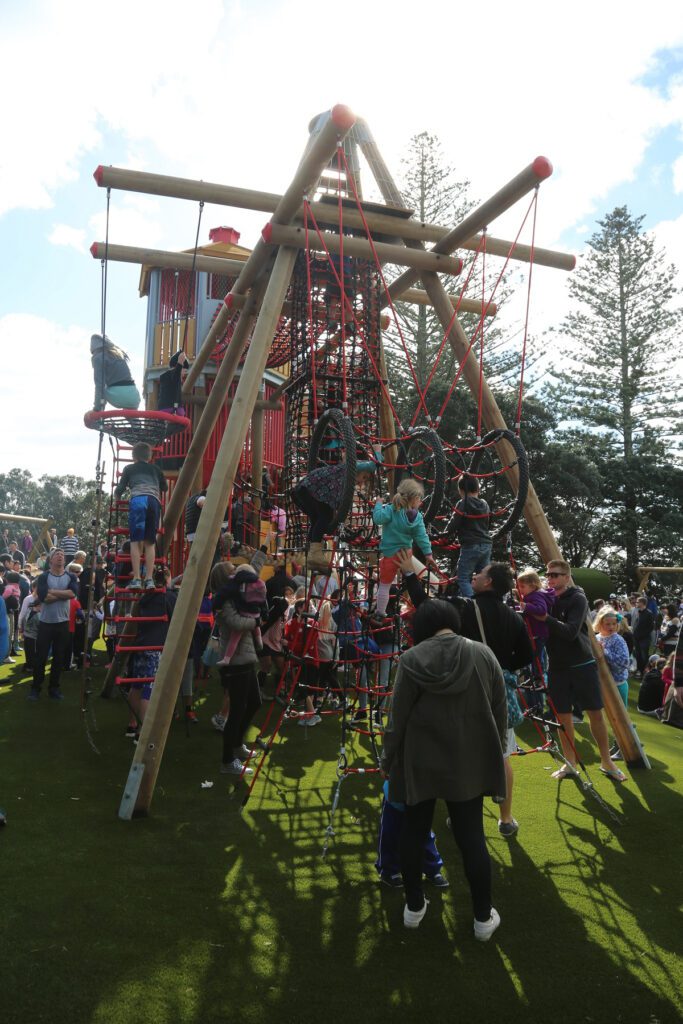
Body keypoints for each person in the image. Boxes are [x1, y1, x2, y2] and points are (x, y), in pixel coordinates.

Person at [380, 598, 506, 940]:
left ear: (421, 625)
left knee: (413, 830)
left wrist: (387, 759)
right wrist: (495, 752)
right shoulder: (483, 653)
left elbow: (397, 718)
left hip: (420, 760)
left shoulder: (411, 658)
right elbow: (499, 710)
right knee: (471, 837)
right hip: (469, 759)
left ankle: (413, 906)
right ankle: (482, 917)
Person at [400, 554, 532, 838]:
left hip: (467, 686)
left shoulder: (466, 606)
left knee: (461, 751)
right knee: (502, 754)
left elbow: (427, 607)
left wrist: (410, 575)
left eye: (480, 573)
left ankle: (462, 814)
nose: (474, 576)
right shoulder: (514, 616)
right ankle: (506, 818)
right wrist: (501, 666)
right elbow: (526, 655)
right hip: (500, 691)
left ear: (489, 582)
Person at [541, 559, 626, 782]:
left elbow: (570, 632)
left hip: (582, 664)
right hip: (557, 666)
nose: (550, 578)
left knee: (595, 713)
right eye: (548, 574)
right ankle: (569, 763)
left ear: (567, 577)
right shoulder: (546, 598)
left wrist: (544, 617)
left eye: (555, 575)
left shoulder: (578, 598)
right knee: (562, 716)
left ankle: (607, 762)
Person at [210, 560, 264, 775]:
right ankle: (227, 760)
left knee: (254, 702)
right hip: (235, 662)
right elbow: (236, 623)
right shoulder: (225, 601)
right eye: (233, 571)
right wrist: (257, 620)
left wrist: (265, 548)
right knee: (237, 710)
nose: (237, 574)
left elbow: (252, 570)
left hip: (245, 658)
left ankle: (237, 743)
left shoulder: (238, 597)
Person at [291, 458, 377, 573]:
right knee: (324, 517)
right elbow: (371, 466)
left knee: (317, 519)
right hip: (315, 490)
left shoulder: (342, 480)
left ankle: (313, 554)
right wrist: (378, 453)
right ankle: (314, 553)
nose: (361, 482)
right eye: (364, 477)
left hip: (305, 490)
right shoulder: (349, 469)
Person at [372, 478, 438, 619]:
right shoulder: (417, 518)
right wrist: (428, 554)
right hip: (406, 555)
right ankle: (414, 606)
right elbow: (422, 537)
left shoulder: (391, 510)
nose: (420, 502)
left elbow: (377, 518)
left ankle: (380, 613)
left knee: (384, 585)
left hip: (390, 555)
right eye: (419, 499)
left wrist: (378, 504)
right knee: (410, 577)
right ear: (413, 499)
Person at [114, 441, 168, 590]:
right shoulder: (156, 469)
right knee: (150, 542)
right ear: (149, 456)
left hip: (138, 501)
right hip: (154, 502)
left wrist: (117, 500)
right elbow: (165, 487)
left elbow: (120, 488)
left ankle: (137, 578)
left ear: (134, 456)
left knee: (135, 541)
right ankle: (149, 579)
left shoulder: (129, 468)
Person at [30, 549, 80, 700]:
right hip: (46, 623)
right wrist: (63, 594)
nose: (60, 556)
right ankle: (36, 688)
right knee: (41, 658)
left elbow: (73, 594)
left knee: (59, 658)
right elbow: (44, 597)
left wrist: (53, 592)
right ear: (50, 560)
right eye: (57, 554)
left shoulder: (71, 576)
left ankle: (54, 689)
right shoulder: (44, 576)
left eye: (62, 555)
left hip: (63, 624)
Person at [446, 473, 491, 599]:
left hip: (470, 545)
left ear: (460, 490)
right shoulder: (484, 504)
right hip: (486, 544)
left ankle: (473, 603)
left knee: (463, 578)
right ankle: (486, 602)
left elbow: (454, 522)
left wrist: (445, 534)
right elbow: (486, 523)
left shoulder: (463, 503)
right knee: (484, 578)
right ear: (478, 488)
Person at [516, 568, 555, 701]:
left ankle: (539, 679)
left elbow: (541, 610)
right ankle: (534, 677)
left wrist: (526, 607)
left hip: (540, 632)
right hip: (534, 632)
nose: (520, 589)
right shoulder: (530, 596)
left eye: (522, 586)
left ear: (532, 585)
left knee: (537, 656)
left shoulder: (536, 595)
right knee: (533, 655)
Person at [91, 334, 141, 410]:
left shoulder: (98, 357)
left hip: (119, 395)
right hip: (134, 397)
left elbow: (100, 385)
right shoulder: (118, 354)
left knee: (102, 389)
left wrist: (97, 409)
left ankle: (100, 410)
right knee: (130, 415)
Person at [157, 349, 191, 415]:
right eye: (184, 371)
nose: (184, 374)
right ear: (180, 368)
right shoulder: (173, 374)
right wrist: (180, 363)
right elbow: (176, 375)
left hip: (164, 409)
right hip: (171, 409)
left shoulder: (166, 377)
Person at [632, 596, 654, 675]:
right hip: (636, 638)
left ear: (642, 603)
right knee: (637, 655)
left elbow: (651, 627)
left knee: (644, 656)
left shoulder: (649, 613)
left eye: (638, 602)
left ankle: (645, 672)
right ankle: (639, 670)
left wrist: (642, 635)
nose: (636, 603)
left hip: (644, 639)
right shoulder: (638, 612)